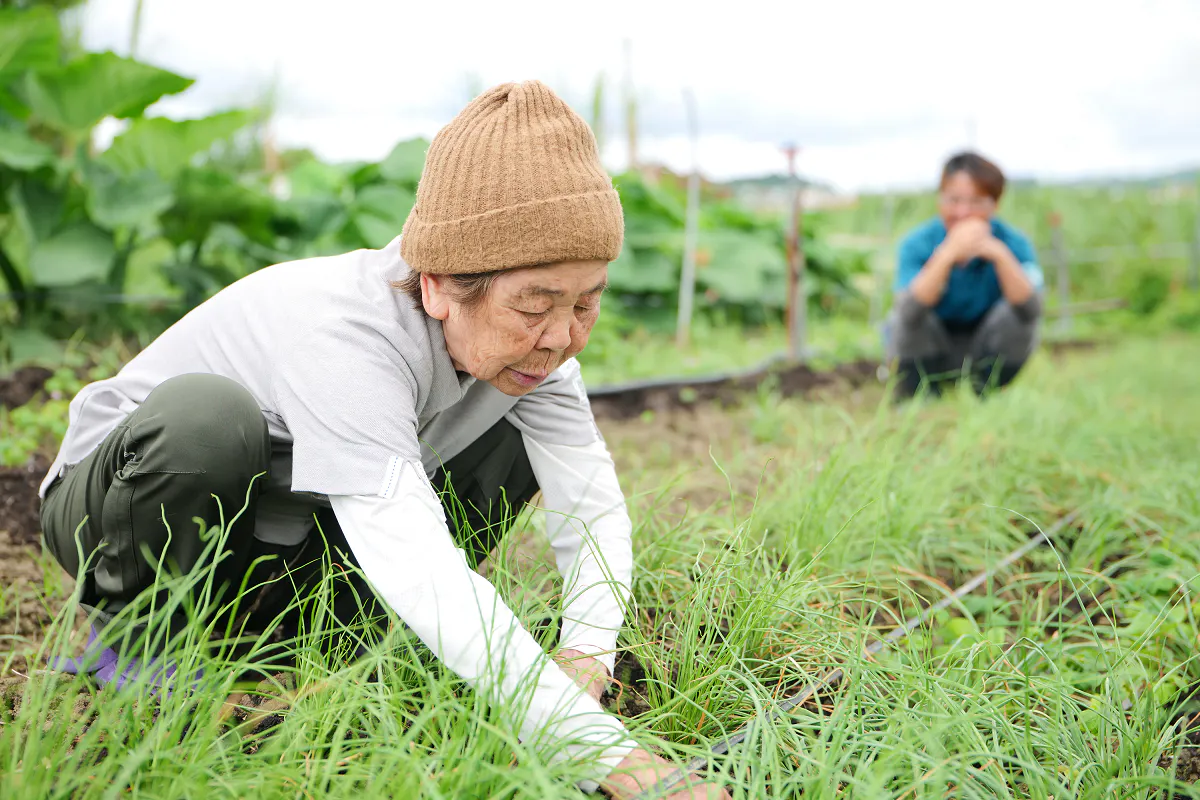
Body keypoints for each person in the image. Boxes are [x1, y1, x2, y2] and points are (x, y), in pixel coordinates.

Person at [38, 81, 727, 800]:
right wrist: (613, 759)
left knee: (513, 438)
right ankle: (138, 639)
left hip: (278, 535)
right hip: (119, 515)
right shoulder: (346, 337)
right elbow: (417, 564)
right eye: (534, 304)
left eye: (586, 303)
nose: (560, 337)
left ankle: (313, 644)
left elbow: (589, 506)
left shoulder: (533, 358)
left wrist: (588, 648)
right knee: (207, 419)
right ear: (439, 286)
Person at [885, 151, 1045, 398]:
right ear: (940, 199)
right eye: (954, 200)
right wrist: (947, 255)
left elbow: (1032, 310)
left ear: (995, 204)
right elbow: (908, 311)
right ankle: (919, 395)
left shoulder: (1014, 243)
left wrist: (1001, 256)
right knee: (903, 316)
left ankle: (988, 391)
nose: (963, 212)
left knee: (1017, 313)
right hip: (931, 347)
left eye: (976, 202)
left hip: (983, 347)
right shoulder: (917, 243)